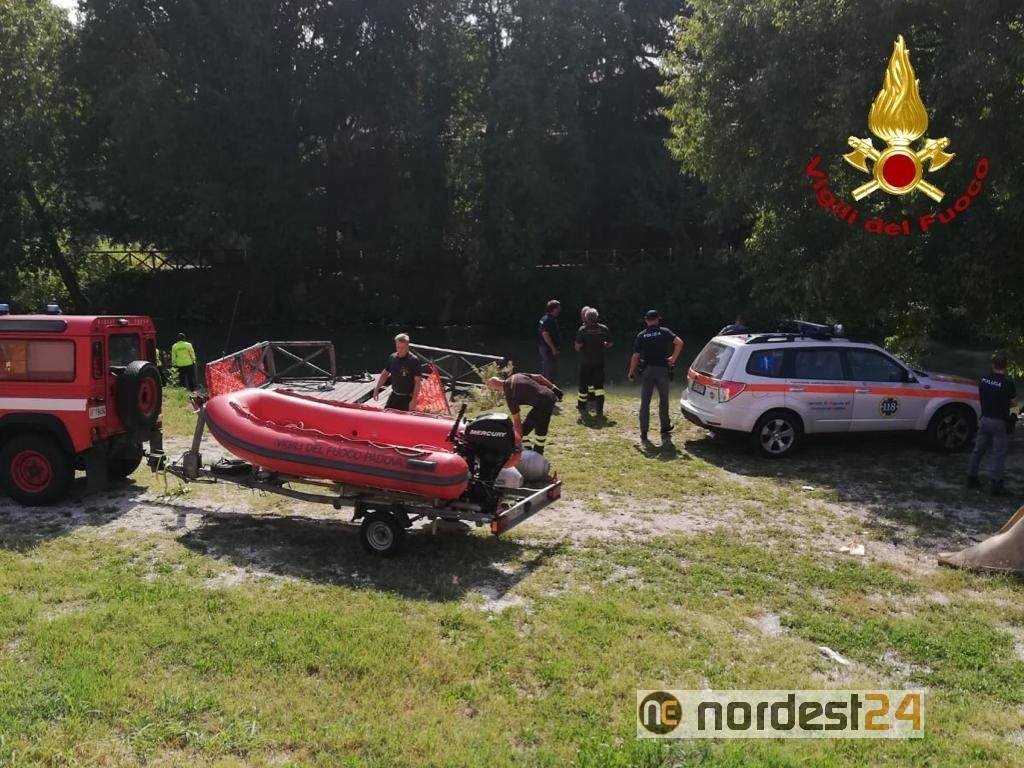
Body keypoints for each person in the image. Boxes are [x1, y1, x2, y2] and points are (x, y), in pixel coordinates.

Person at [628, 310, 683, 443]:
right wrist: (673, 359)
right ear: (657, 320)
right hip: (662, 369)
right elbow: (679, 343)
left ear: (646, 320)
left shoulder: (642, 335)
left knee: (645, 402)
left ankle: (644, 432)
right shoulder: (664, 332)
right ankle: (665, 427)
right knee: (664, 399)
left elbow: (635, 356)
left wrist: (631, 372)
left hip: (647, 370)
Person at [968, 351, 1018, 495]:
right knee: (998, 453)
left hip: (984, 419)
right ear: (1006, 366)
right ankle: (996, 485)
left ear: (993, 365)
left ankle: (971, 478)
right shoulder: (1008, 383)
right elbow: (1014, 403)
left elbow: (984, 395)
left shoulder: (984, 379)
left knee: (978, 450)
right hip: (999, 421)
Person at [487, 373, 563, 454]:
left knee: (533, 430)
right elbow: (539, 377)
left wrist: (518, 441)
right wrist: (555, 389)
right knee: (539, 427)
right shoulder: (516, 376)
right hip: (549, 395)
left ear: (497, 390)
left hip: (543, 404)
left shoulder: (510, 396)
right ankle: (533, 451)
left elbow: (517, 421)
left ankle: (534, 452)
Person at [575, 307, 613, 418]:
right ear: (597, 317)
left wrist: (582, 348)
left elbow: (578, 346)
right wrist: (603, 346)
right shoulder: (603, 328)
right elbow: (610, 343)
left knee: (583, 385)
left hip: (586, 362)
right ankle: (599, 409)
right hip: (599, 362)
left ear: (586, 318)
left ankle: (582, 406)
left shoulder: (583, 330)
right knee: (599, 386)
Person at [373, 333, 426, 411]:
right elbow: (385, 373)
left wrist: (414, 400)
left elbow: (418, 382)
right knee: (386, 414)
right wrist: (377, 388)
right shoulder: (392, 357)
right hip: (394, 394)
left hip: (407, 397)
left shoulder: (414, 361)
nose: (400, 350)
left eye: (402, 347)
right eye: (398, 347)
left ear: (407, 346)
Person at [538, 299, 562, 385]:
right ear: (554, 309)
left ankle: (546, 388)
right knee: (550, 371)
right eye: (558, 308)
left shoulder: (544, 318)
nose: (559, 310)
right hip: (548, 349)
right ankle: (548, 389)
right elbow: (545, 334)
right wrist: (553, 348)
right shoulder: (549, 320)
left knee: (547, 369)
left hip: (544, 347)